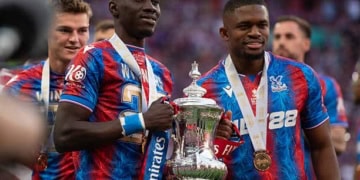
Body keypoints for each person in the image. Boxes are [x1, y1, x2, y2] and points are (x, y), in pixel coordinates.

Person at [196, 0, 340, 179]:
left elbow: (322, 146)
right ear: (225, 33)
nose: (255, 33)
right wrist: (210, 140)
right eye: (245, 26)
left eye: (262, 25)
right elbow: (195, 159)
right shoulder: (204, 91)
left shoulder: (300, 76)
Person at [53, 0, 174, 179]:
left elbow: (152, 140)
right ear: (114, 7)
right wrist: (141, 121)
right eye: (140, 0)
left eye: (155, 2)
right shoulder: (93, 57)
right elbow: (64, 135)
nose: (150, 7)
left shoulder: (161, 72)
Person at [3, 0, 92, 179]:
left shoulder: (106, 84)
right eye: (65, 30)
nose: (75, 39)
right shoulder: (21, 86)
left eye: (82, 30)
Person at [272, 15, 349, 155]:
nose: (281, 42)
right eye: (277, 37)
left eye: (289, 37)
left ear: (306, 44)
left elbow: (339, 143)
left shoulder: (325, 85)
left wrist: (288, 125)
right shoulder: (259, 85)